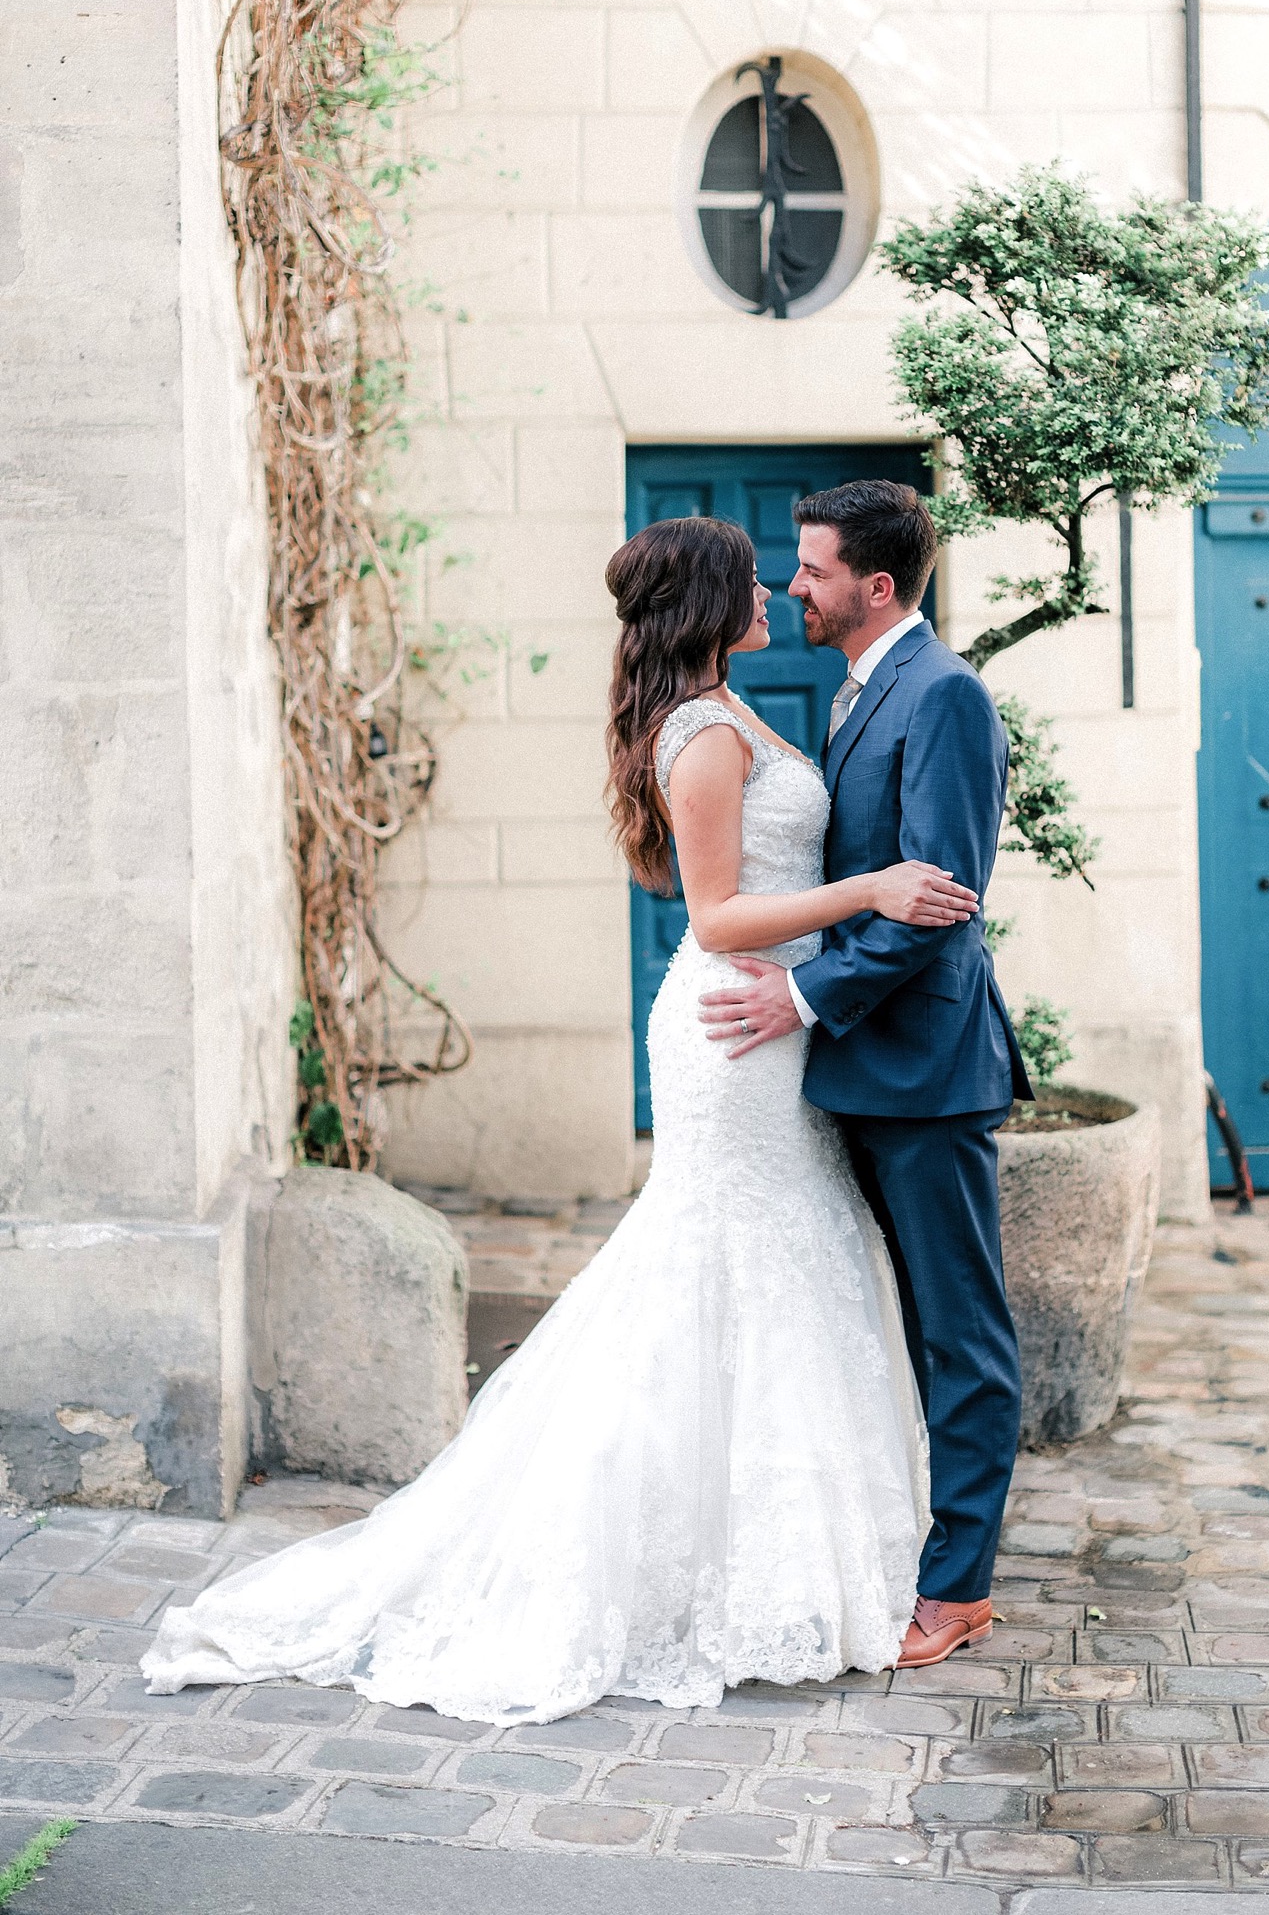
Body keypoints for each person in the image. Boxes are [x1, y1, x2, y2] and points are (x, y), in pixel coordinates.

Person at [139, 512, 983, 1724]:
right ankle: (667, 1556)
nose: (773, 590)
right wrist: (875, 887)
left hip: (775, 1026)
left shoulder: (730, 712)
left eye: (786, 571)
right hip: (736, 1026)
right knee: (724, 1261)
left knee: (785, 1261)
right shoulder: (699, 735)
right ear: (705, 604)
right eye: (752, 578)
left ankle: (775, 1551)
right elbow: (715, 917)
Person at [699, 480, 1029, 1669]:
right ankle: (900, 1541)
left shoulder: (942, 698)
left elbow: (937, 902)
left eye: (813, 568)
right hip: (860, 1067)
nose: (794, 584)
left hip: (928, 1070)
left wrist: (798, 994)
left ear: (874, 587)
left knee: (961, 1333)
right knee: (879, 1321)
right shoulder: (860, 691)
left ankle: (960, 1586)